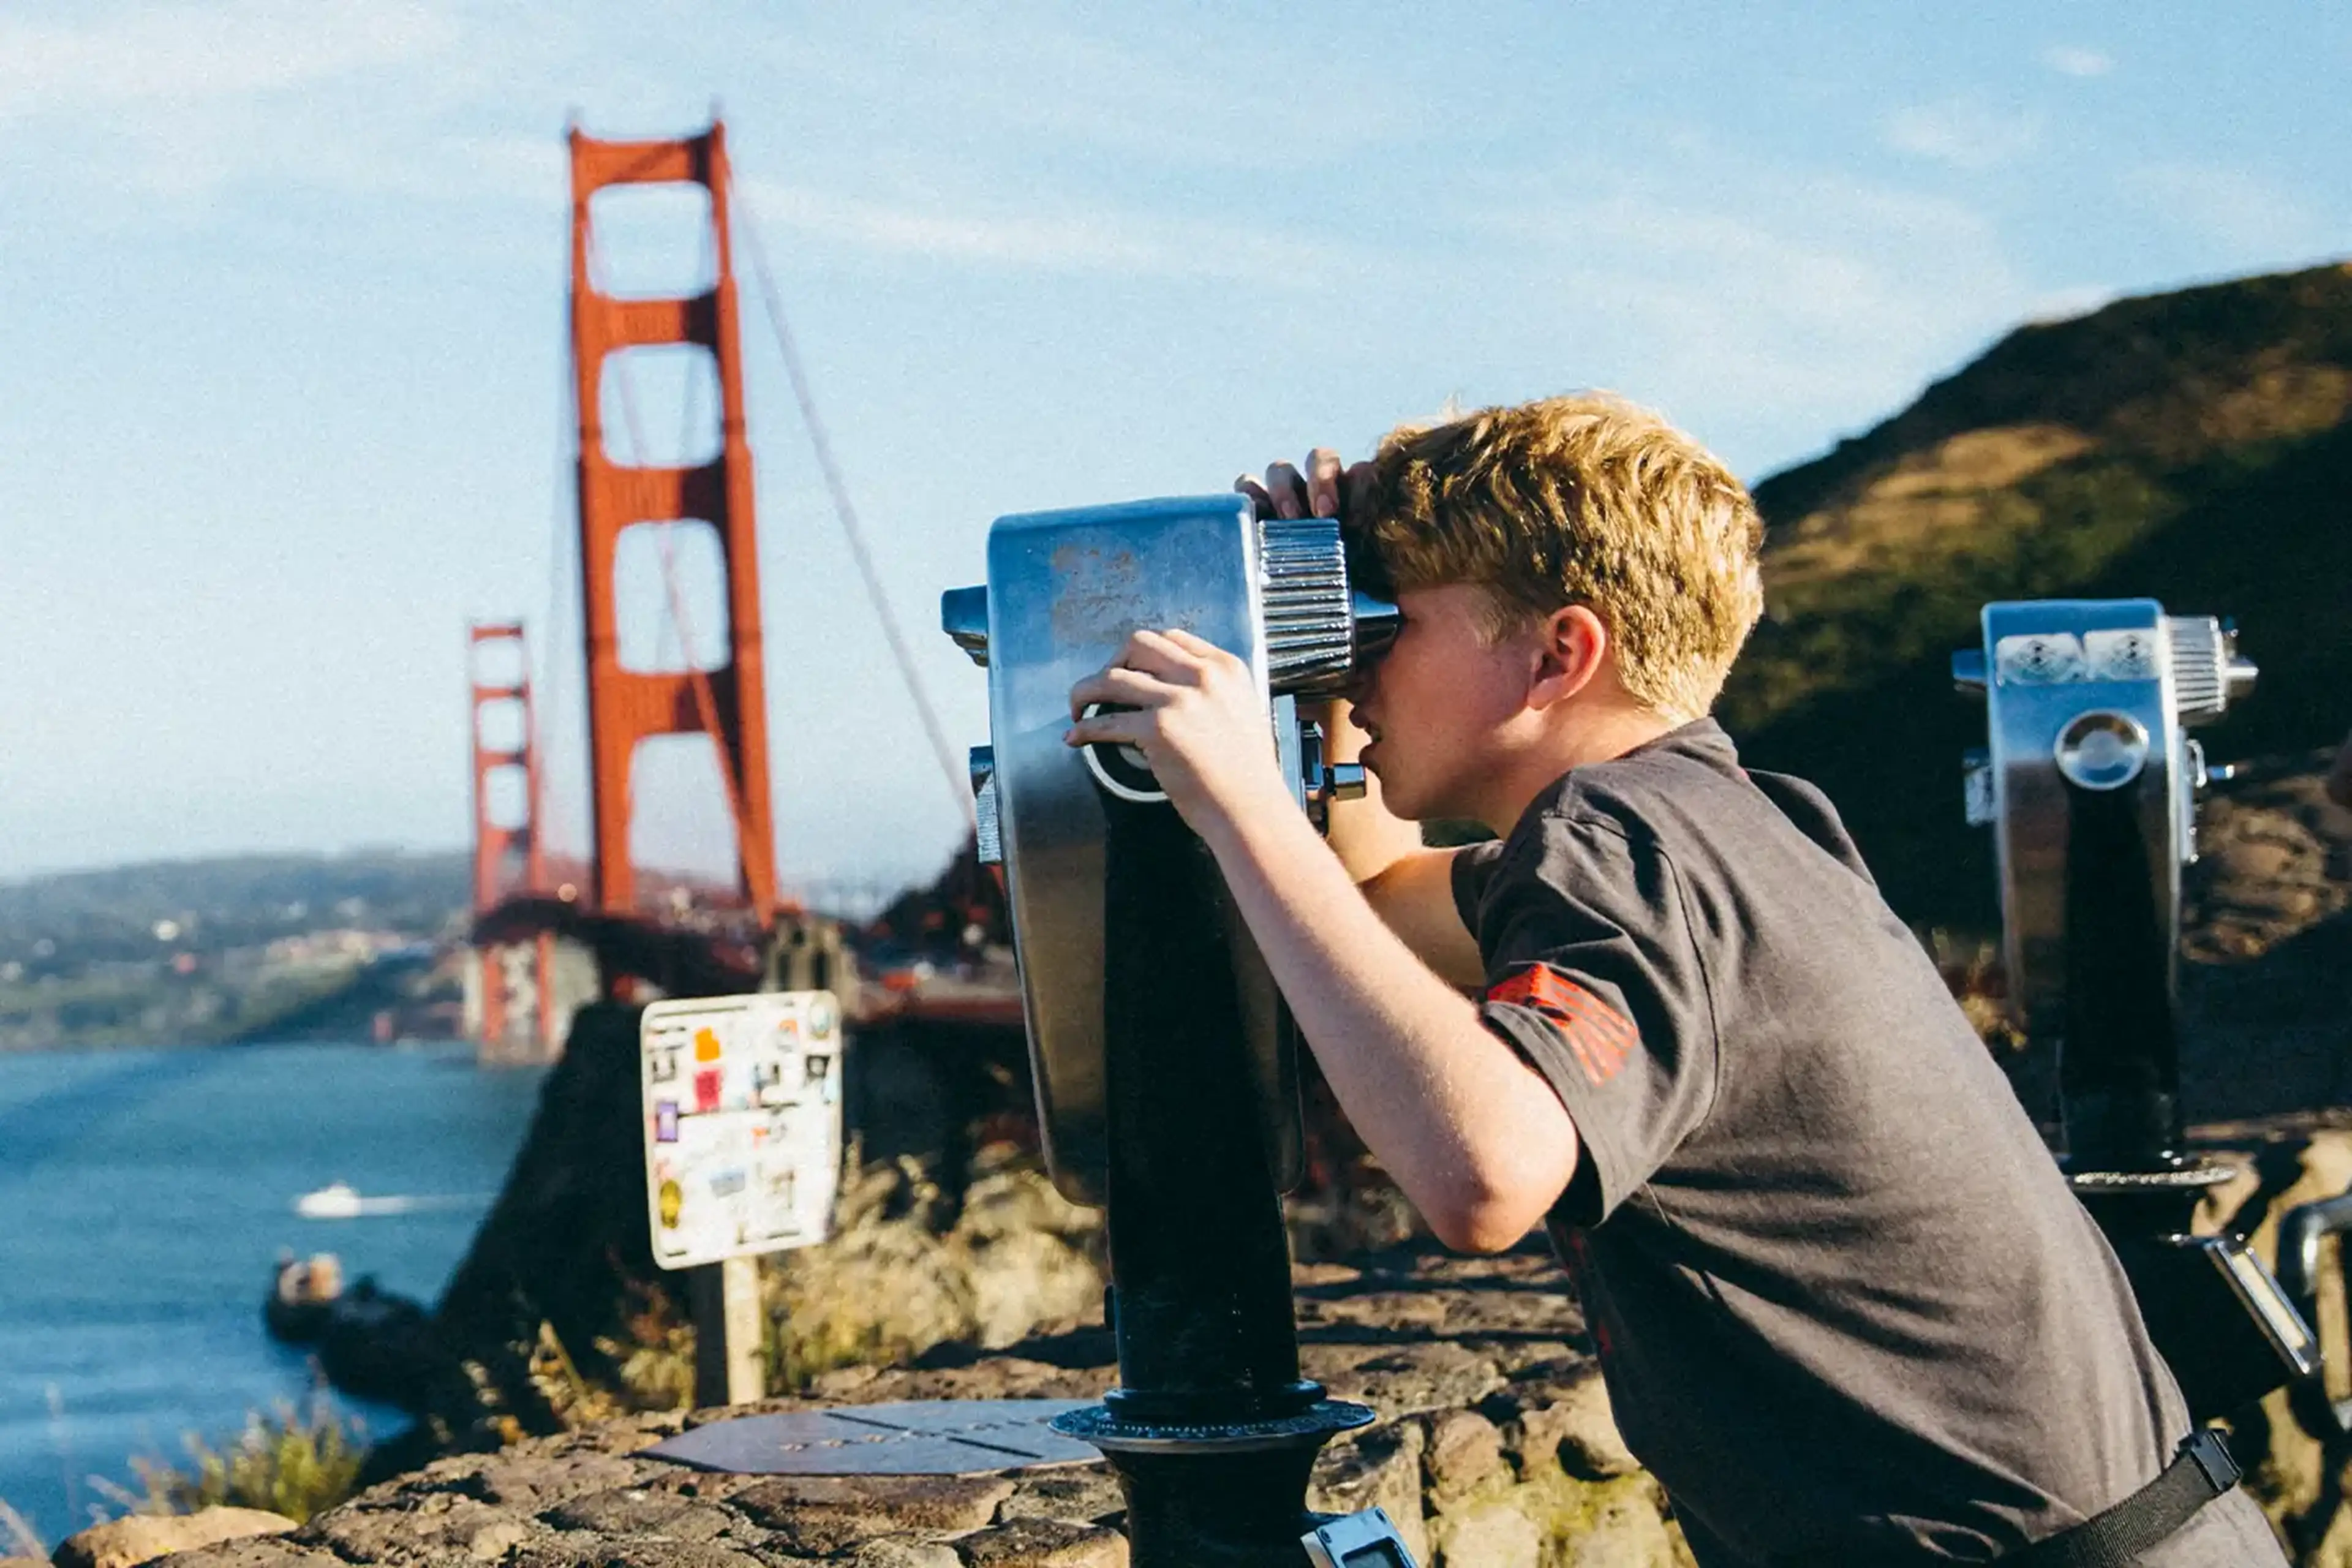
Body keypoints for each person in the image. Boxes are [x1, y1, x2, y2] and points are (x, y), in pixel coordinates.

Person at [1063, 394, 2285, 1566]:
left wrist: (1236, 797)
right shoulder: (1726, 821)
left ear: (1559, 653)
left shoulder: (1622, 839)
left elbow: (1483, 1175)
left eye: (1394, 624)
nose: (1366, 660)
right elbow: (1377, 907)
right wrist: (1315, 679)